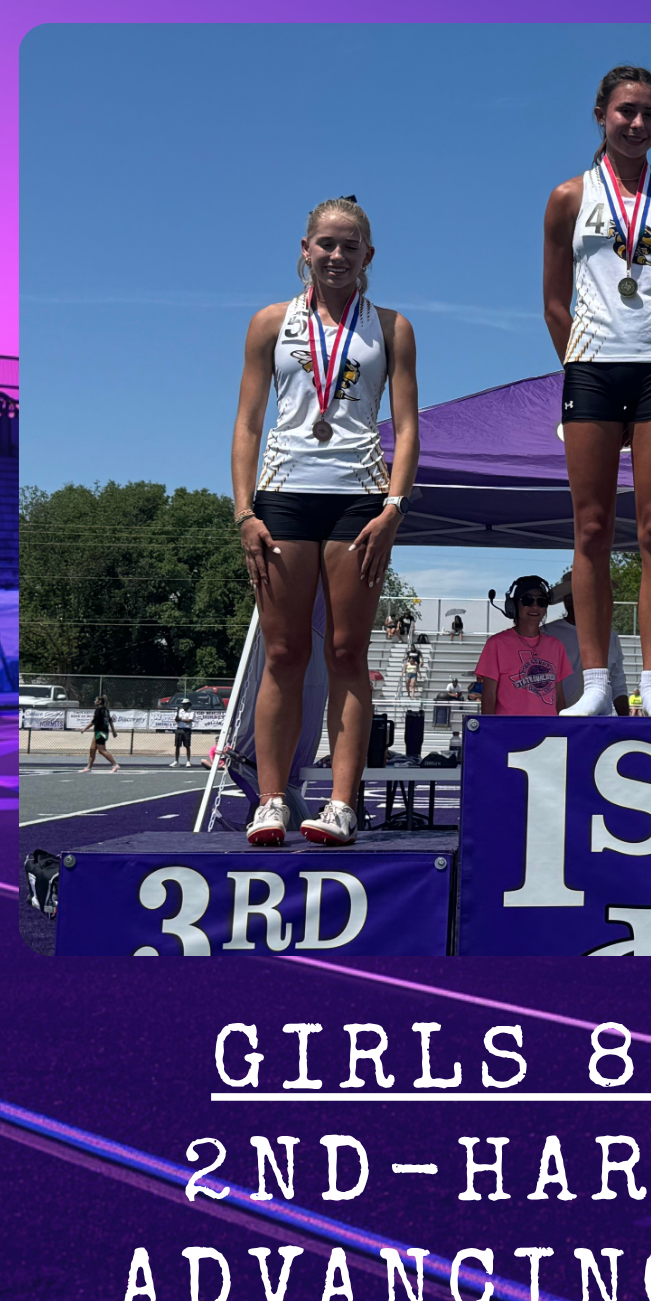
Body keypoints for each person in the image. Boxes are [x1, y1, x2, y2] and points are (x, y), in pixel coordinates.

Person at [232, 196, 419, 847]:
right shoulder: (268, 323)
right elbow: (249, 422)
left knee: (346, 652)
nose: (336, 255)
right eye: (325, 244)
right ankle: (272, 799)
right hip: (283, 494)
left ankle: (341, 803)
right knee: (283, 653)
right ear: (304, 248)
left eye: (350, 245)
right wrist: (244, 511)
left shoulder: (392, 328)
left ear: (369, 255)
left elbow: (408, 424)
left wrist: (394, 506)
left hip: (357, 499)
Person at [543, 64, 651, 718]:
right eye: (625, 112)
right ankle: (594, 685)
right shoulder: (567, 196)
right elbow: (555, 301)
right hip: (591, 368)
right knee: (590, 528)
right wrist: (581, 360)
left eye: (648, 114)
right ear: (601, 115)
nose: (636, 124)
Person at [477, 575, 570, 715]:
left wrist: (562, 728)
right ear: (513, 606)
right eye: (528, 600)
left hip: (548, 732)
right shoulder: (496, 644)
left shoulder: (556, 646)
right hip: (510, 731)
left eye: (541, 601)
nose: (535, 606)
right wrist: (490, 732)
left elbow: (559, 697)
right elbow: (489, 697)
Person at [542, 566, 629, 714]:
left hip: (599, 720)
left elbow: (618, 682)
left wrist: (626, 722)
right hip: (559, 719)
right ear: (566, 600)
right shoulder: (547, 633)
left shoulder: (610, 635)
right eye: (573, 595)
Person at [80, 694, 120, 772]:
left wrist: (84, 728)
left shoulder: (99, 710)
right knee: (92, 749)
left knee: (102, 750)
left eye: (96, 700)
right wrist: (113, 731)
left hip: (100, 732)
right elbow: (110, 721)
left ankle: (115, 764)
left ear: (100, 701)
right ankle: (88, 767)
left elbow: (94, 721)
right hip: (100, 731)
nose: (95, 701)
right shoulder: (106, 710)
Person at [171, 698, 195, 769]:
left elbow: (189, 720)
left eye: (185, 704)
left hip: (187, 730)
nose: (184, 705)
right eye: (183, 704)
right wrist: (177, 714)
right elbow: (176, 719)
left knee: (187, 746)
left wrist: (181, 719)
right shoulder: (180, 711)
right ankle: (176, 761)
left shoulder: (191, 712)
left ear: (188, 705)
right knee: (177, 746)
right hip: (179, 729)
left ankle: (188, 761)